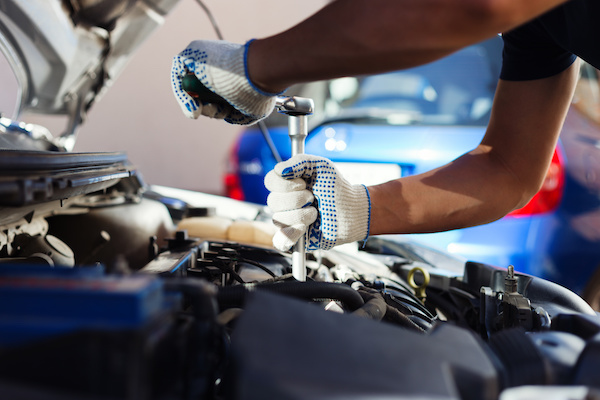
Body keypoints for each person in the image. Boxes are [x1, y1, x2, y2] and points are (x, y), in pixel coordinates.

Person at [171, 0, 597, 252]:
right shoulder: (539, 27)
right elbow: (508, 169)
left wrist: (256, 67)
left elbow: (471, 8)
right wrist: (356, 209)